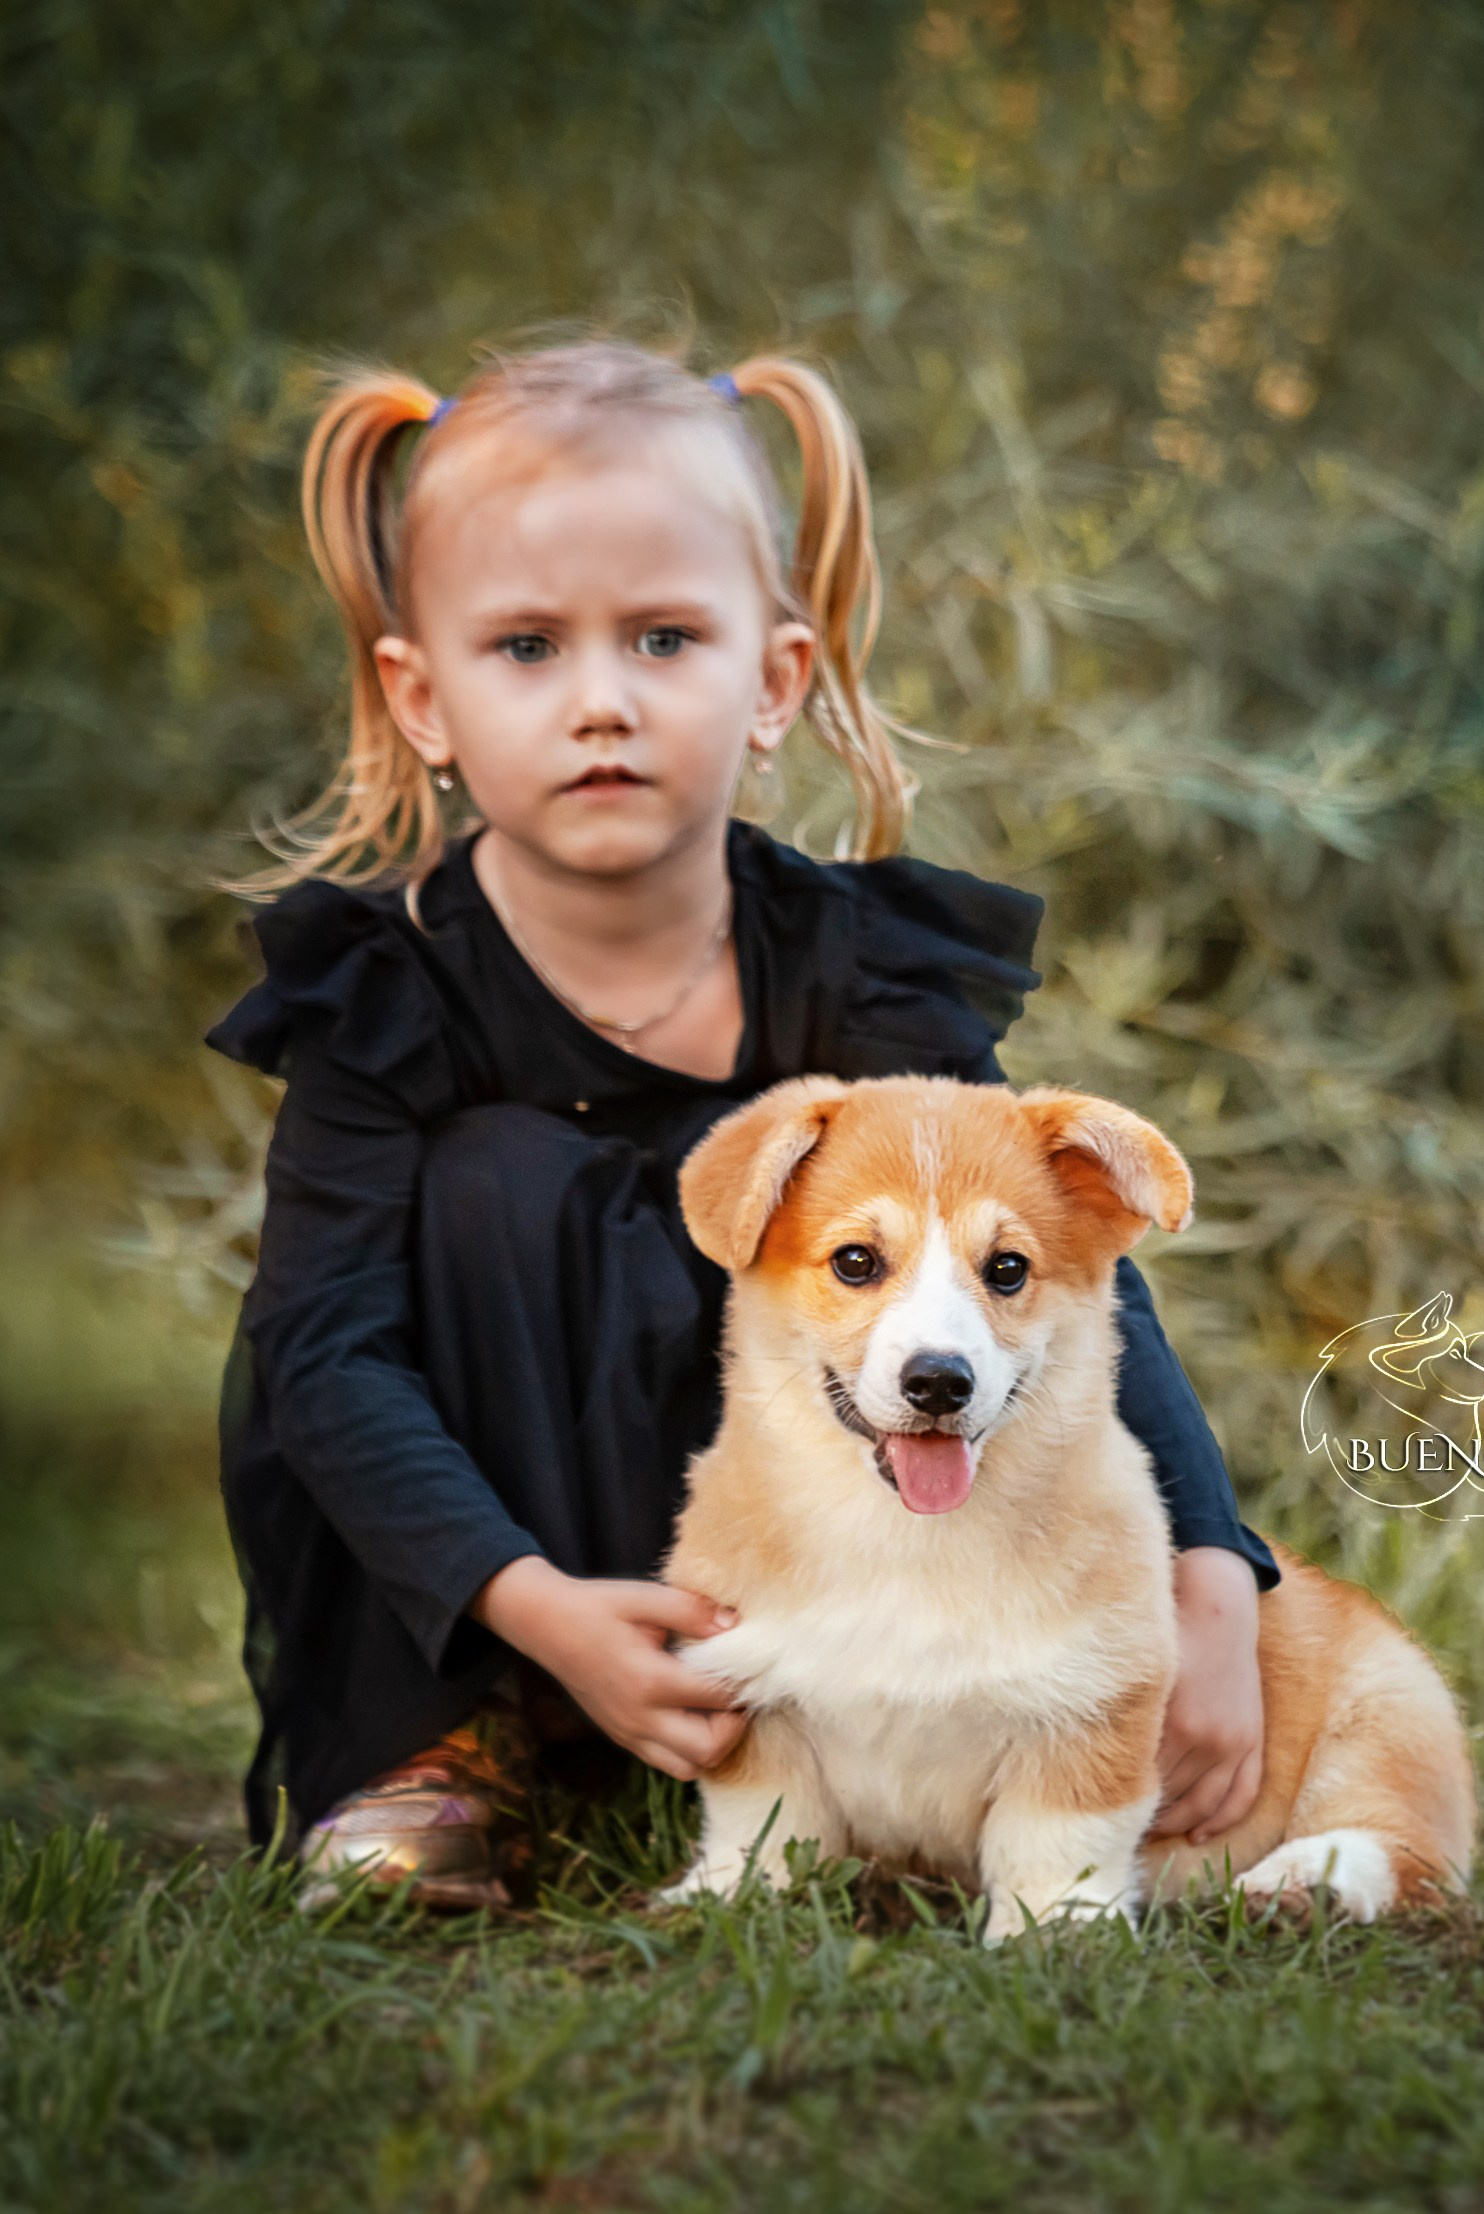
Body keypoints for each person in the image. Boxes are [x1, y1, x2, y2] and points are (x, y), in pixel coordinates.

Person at [208, 336, 1278, 1909]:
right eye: (524, 648)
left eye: (660, 638)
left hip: (803, 1565)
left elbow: (1048, 1265)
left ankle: (850, 1726)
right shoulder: (387, 995)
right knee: (504, 1178)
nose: (599, 704)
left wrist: (1207, 1580)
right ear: (419, 697)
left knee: (860, 1265)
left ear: (772, 679)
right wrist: (533, 1606)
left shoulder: (858, 967)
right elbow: (325, 1360)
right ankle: (464, 1743)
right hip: (490, 1568)